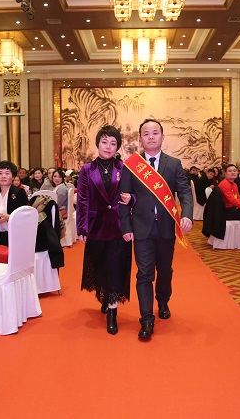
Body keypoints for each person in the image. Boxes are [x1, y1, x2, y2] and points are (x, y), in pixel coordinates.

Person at [120, 119, 193, 340]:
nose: (151, 137)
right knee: (144, 274)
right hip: (141, 228)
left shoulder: (174, 164)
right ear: (140, 138)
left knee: (165, 270)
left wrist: (187, 214)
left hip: (166, 227)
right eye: (146, 133)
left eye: (155, 133)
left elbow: (184, 192)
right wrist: (126, 226)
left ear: (162, 136)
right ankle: (146, 319)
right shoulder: (132, 164)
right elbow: (123, 198)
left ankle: (162, 300)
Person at [77, 125, 133, 335]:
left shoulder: (124, 168)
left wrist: (132, 199)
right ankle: (104, 295)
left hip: (119, 226)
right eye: (104, 142)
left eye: (113, 143)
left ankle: (112, 312)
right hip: (96, 227)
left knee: (115, 268)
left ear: (117, 147)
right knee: (100, 266)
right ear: (98, 144)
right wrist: (82, 228)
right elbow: (82, 200)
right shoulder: (87, 170)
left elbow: (134, 194)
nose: (108, 147)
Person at [0, 161, 29, 246]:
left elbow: (23, 215)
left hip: (15, 234)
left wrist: (9, 217)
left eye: (7, 173)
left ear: (13, 177)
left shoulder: (19, 193)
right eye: (0, 173)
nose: (3, 176)